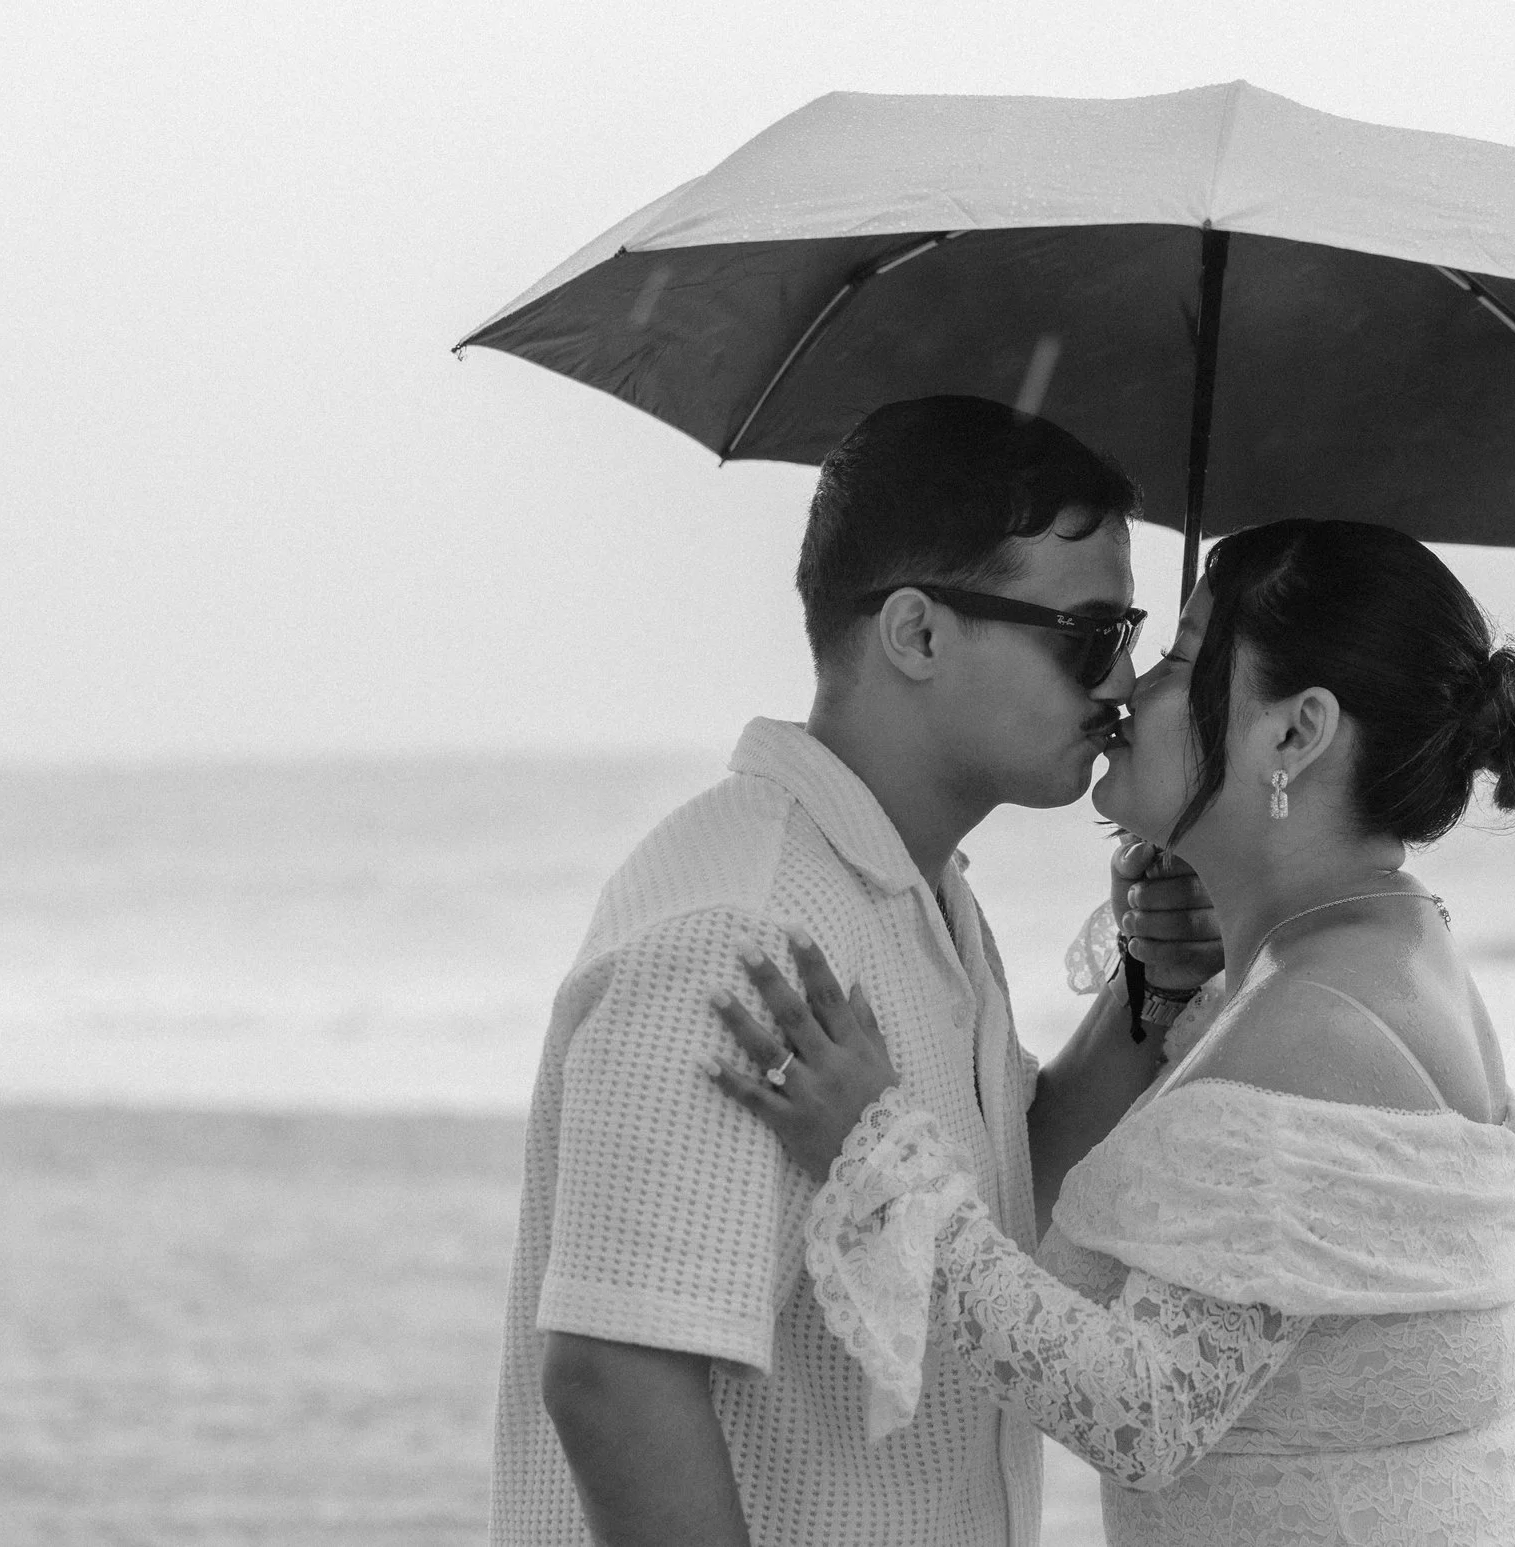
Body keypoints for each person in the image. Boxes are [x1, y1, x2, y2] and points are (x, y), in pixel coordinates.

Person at [714, 517, 1515, 1546]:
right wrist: (1161, 980)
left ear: (1295, 732)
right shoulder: (1361, 951)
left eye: (1182, 655)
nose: (1129, 686)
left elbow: (1146, 1411)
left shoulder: (1314, 1026)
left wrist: (871, 1150)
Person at [489, 395, 1221, 1547]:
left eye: (1125, 630)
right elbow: (614, 1370)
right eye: (1087, 634)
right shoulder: (743, 927)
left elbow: (967, 1199)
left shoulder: (912, 886)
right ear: (918, 633)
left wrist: (1143, 995)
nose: (1124, 681)